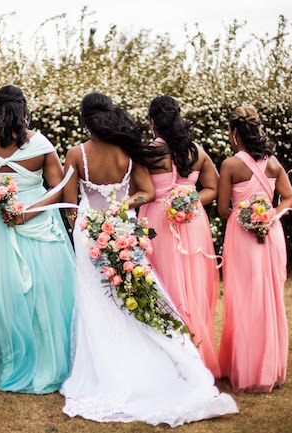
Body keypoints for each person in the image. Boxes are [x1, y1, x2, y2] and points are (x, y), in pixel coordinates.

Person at [60, 92, 238, 427]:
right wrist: (122, 207)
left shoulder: (74, 154)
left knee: (96, 301)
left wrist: (88, 226)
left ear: (85, 121)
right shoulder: (128, 152)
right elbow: (147, 193)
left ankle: (105, 371)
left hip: (89, 234)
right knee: (137, 297)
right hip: (125, 229)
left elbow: (71, 206)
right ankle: (155, 362)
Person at [0, 85, 75, 394]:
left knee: (1, 291)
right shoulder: (41, 144)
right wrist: (29, 211)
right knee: (45, 291)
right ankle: (45, 359)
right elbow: (57, 189)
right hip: (37, 218)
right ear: (24, 110)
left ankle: (10, 361)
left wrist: (3, 200)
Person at [138, 95, 221, 377]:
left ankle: (172, 355)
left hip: (158, 222)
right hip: (192, 222)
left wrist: (176, 201)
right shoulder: (196, 151)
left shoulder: (147, 153)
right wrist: (189, 201)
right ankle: (191, 350)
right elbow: (212, 187)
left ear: (152, 123)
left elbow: (135, 190)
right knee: (190, 282)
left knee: (163, 282)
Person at [217, 105, 292, 392]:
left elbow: (224, 208)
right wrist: (270, 215)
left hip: (242, 236)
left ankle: (249, 367)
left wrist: (246, 219)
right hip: (272, 234)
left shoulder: (229, 165)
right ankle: (269, 367)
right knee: (271, 298)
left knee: (245, 297)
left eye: (229, 130)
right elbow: (289, 198)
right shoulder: (273, 163)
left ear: (236, 133)